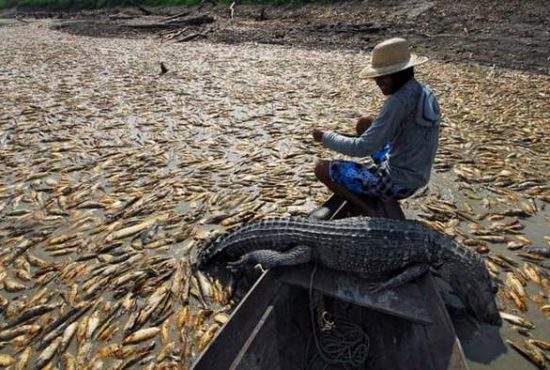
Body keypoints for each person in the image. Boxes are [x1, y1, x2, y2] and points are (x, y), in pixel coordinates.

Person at [311, 38, 441, 219]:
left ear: (398, 73)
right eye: (377, 77)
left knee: (321, 168)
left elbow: (362, 148)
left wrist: (326, 137)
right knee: (364, 123)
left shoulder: (398, 102)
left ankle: (371, 209)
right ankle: (379, 195)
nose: (377, 81)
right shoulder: (422, 90)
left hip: (400, 182)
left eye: (382, 76)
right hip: (418, 172)